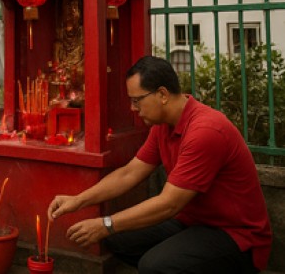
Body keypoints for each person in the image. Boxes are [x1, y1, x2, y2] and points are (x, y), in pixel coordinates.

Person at [48, 55, 271, 274]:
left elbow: (168, 204)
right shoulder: (162, 126)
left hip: (236, 237)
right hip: (192, 222)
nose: (133, 109)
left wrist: (104, 224)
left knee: (155, 265)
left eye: (137, 100)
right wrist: (77, 201)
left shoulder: (205, 131)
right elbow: (129, 173)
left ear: (162, 94)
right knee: (118, 240)